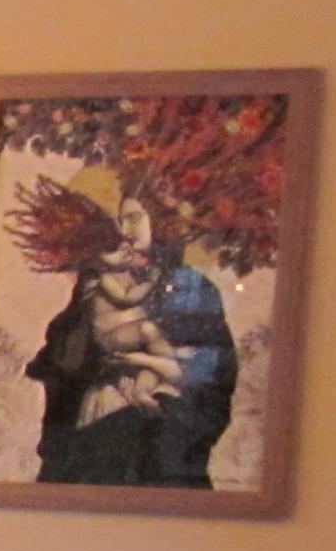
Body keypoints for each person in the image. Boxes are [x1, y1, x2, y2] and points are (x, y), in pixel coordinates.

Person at [12, 180, 237, 487]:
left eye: (135, 217)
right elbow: (68, 356)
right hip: (96, 421)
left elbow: (210, 370)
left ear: (160, 220)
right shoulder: (98, 279)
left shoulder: (189, 285)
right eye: (121, 219)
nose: (125, 228)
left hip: (158, 433)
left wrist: (158, 399)